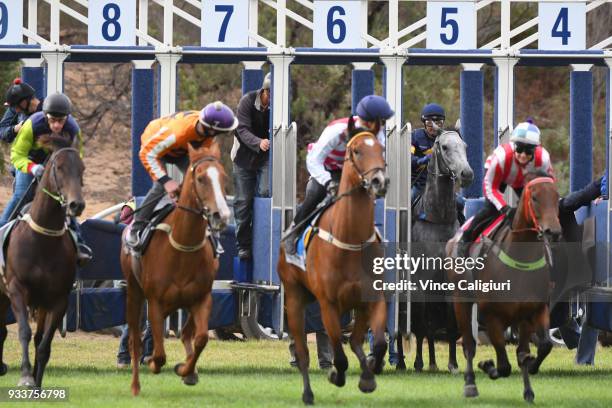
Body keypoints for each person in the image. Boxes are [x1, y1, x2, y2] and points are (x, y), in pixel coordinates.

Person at [283, 94, 395, 255]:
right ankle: (294, 231)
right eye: (381, 122)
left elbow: (379, 159)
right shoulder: (337, 130)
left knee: (367, 197)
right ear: (370, 122)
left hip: (353, 171)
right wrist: (327, 182)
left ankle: (373, 236)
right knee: (315, 193)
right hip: (327, 169)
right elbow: (314, 159)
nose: (381, 127)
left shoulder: (377, 134)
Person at [126, 101, 239, 249]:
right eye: (218, 133)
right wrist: (166, 181)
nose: (219, 136)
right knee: (159, 188)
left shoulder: (208, 131)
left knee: (201, 182)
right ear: (210, 129)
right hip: (156, 148)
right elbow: (147, 153)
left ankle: (211, 230)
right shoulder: (177, 133)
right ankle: (136, 228)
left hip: (182, 149)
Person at [1, 92, 92, 264]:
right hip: (29, 163)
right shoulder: (31, 125)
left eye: (61, 121)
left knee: (66, 199)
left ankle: (79, 243)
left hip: (58, 163)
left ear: (67, 118)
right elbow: (16, 154)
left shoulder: (73, 129)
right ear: (45, 116)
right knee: (22, 195)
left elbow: (77, 156)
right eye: (52, 120)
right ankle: (2, 229)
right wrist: (32, 168)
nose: (57, 125)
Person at [457, 121, 554, 257]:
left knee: (534, 210)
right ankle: (465, 239)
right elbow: (490, 187)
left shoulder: (543, 159)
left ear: (536, 150)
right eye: (519, 149)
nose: (523, 155)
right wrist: (504, 208)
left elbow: (549, 185)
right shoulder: (501, 158)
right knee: (490, 210)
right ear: (514, 146)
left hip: (524, 180)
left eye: (529, 151)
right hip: (499, 177)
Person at [231, 73, 271, 260]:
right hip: (243, 158)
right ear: (264, 91)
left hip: (265, 158)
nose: (271, 99)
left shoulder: (277, 106)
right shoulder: (247, 101)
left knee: (265, 193)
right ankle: (243, 246)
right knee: (243, 202)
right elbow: (242, 129)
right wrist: (258, 142)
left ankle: (263, 239)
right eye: (269, 94)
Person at [410, 103, 465, 222]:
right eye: (430, 123)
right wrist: (421, 160)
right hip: (420, 184)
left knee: (460, 203)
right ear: (424, 123)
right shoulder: (415, 136)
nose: (434, 126)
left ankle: (465, 235)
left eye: (438, 123)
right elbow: (409, 158)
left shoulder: (448, 138)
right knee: (409, 201)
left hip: (443, 185)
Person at [0, 78, 42, 145]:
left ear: (26, 100)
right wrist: (14, 129)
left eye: (16, 106)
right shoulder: (15, 109)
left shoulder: (45, 111)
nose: (16, 110)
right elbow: (1, 130)